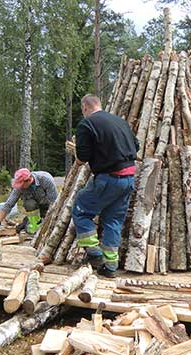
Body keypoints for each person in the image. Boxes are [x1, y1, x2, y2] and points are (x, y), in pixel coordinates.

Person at [69, 94, 139, 278]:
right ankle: (110, 267)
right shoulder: (120, 122)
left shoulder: (87, 124)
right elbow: (136, 145)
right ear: (99, 105)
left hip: (108, 178)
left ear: (85, 107)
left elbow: (82, 157)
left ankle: (95, 254)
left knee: (80, 210)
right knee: (113, 221)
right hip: (129, 178)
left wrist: (77, 158)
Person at [0, 168, 58, 234]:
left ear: (28, 180)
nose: (20, 187)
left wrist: (47, 219)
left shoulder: (45, 180)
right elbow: (9, 204)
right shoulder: (20, 188)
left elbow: (54, 203)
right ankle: (34, 226)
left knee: (48, 225)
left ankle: (34, 220)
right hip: (34, 204)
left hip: (47, 204)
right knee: (29, 204)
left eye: (21, 184)